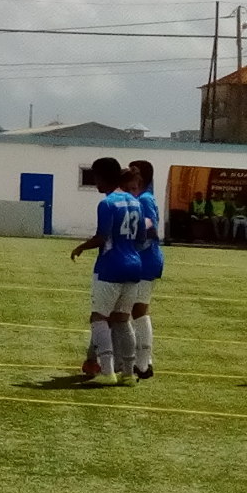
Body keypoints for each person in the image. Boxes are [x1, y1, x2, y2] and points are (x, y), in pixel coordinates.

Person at [72, 159, 142, 387]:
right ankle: (129, 373)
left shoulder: (107, 203)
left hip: (111, 266)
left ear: (103, 177)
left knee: (99, 317)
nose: (95, 183)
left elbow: (102, 237)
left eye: (96, 177)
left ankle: (107, 371)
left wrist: (81, 247)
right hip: (134, 265)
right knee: (123, 319)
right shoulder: (135, 202)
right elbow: (141, 237)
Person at [129, 160, 162, 380]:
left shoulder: (144, 199)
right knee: (137, 309)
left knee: (139, 310)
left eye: (134, 171)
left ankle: (143, 363)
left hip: (145, 259)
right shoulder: (142, 197)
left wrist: (132, 245)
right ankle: (143, 361)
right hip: (144, 259)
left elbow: (151, 230)